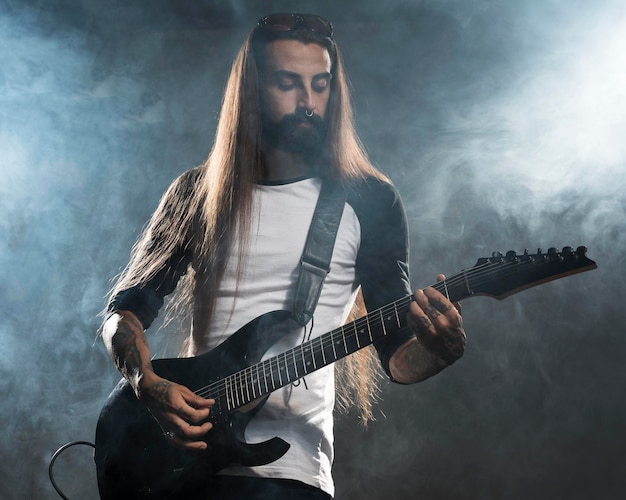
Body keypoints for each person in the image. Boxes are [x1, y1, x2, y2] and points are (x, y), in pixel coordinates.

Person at [100, 13, 466, 500]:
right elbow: (122, 313)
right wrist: (145, 383)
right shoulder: (197, 193)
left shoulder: (370, 200)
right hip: (182, 458)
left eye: (320, 85)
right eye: (287, 84)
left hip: (295, 472)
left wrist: (441, 351)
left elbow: (398, 357)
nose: (307, 102)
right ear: (251, 91)